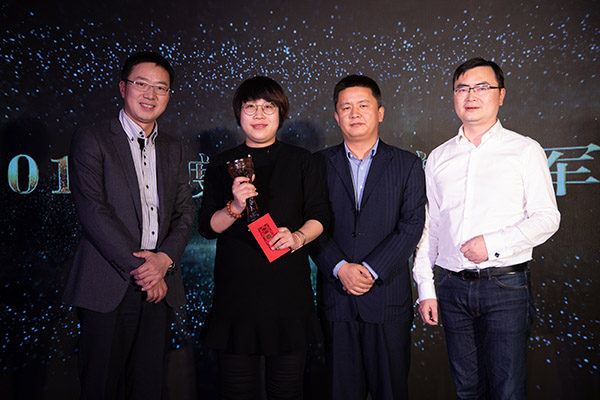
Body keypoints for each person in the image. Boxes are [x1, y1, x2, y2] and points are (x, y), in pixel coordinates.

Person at [413, 57, 561, 399]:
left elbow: (547, 217)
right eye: (462, 88)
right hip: (451, 287)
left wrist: (492, 244)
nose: (471, 95)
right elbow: (431, 226)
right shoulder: (438, 157)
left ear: (501, 95)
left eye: (482, 87)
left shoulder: (524, 150)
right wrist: (426, 288)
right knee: (467, 389)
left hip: (505, 287)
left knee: (507, 391)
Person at [63, 51, 196, 399]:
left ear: (169, 95)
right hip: (109, 282)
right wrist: (144, 270)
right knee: (102, 386)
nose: (150, 94)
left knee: (149, 386)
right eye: (141, 84)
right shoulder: (93, 138)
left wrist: (164, 260)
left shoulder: (174, 148)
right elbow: (93, 211)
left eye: (160, 87)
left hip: (159, 287)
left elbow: (185, 212)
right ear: (123, 88)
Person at [197, 76, 329, 399]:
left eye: (268, 107)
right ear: (238, 113)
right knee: (237, 390)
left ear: (281, 113)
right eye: (250, 107)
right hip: (236, 296)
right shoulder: (222, 163)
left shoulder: (302, 160)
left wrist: (297, 237)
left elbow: (320, 216)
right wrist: (234, 207)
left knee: (287, 390)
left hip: (287, 295)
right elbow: (207, 227)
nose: (259, 114)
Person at [310, 75, 426, 400]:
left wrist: (371, 270)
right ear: (336, 116)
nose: (355, 113)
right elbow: (310, 224)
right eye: (346, 107)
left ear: (380, 112)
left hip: (387, 300)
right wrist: (340, 268)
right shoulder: (316, 165)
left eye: (363, 105)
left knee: (391, 391)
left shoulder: (407, 164)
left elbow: (412, 225)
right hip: (337, 299)